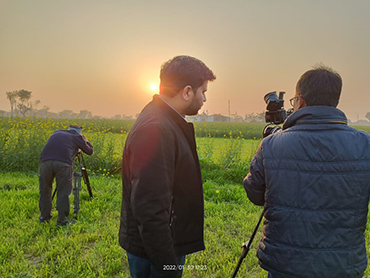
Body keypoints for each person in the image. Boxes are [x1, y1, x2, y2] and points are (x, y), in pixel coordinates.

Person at [243, 65, 370, 278]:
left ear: (300, 101)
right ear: (335, 100)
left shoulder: (272, 145)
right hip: (342, 264)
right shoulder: (366, 145)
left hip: (285, 263)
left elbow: (254, 194)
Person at [119, 55, 216, 277]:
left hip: (162, 243)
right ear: (187, 91)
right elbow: (149, 207)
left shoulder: (166, 121)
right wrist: (167, 267)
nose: (204, 99)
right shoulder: (156, 129)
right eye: (203, 92)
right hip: (154, 250)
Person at [38, 124, 93, 226]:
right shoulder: (77, 136)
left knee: (45, 190)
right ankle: (62, 221)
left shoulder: (57, 132)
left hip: (44, 162)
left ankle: (44, 218)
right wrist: (85, 140)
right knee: (63, 191)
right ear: (79, 132)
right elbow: (89, 151)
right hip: (63, 163)